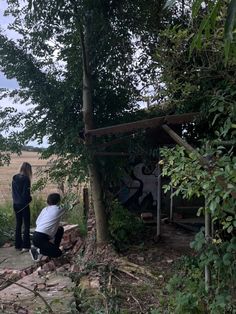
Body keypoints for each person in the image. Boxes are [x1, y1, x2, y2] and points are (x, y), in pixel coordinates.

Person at [30, 193, 65, 261]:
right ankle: (37, 250)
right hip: (41, 239)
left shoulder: (45, 209)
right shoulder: (58, 208)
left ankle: (53, 248)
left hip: (36, 235)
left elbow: (37, 222)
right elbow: (70, 205)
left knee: (60, 229)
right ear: (58, 201)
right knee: (58, 253)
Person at [12, 162, 32, 252]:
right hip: (24, 205)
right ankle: (26, 246)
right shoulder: (26, 179)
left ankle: (17, 245)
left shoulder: (14, 178)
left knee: (18, 224)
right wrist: (30, 199)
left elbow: (14, 193)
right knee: (26, 225)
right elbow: (25, 194)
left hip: (15, 204)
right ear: (28, 170)